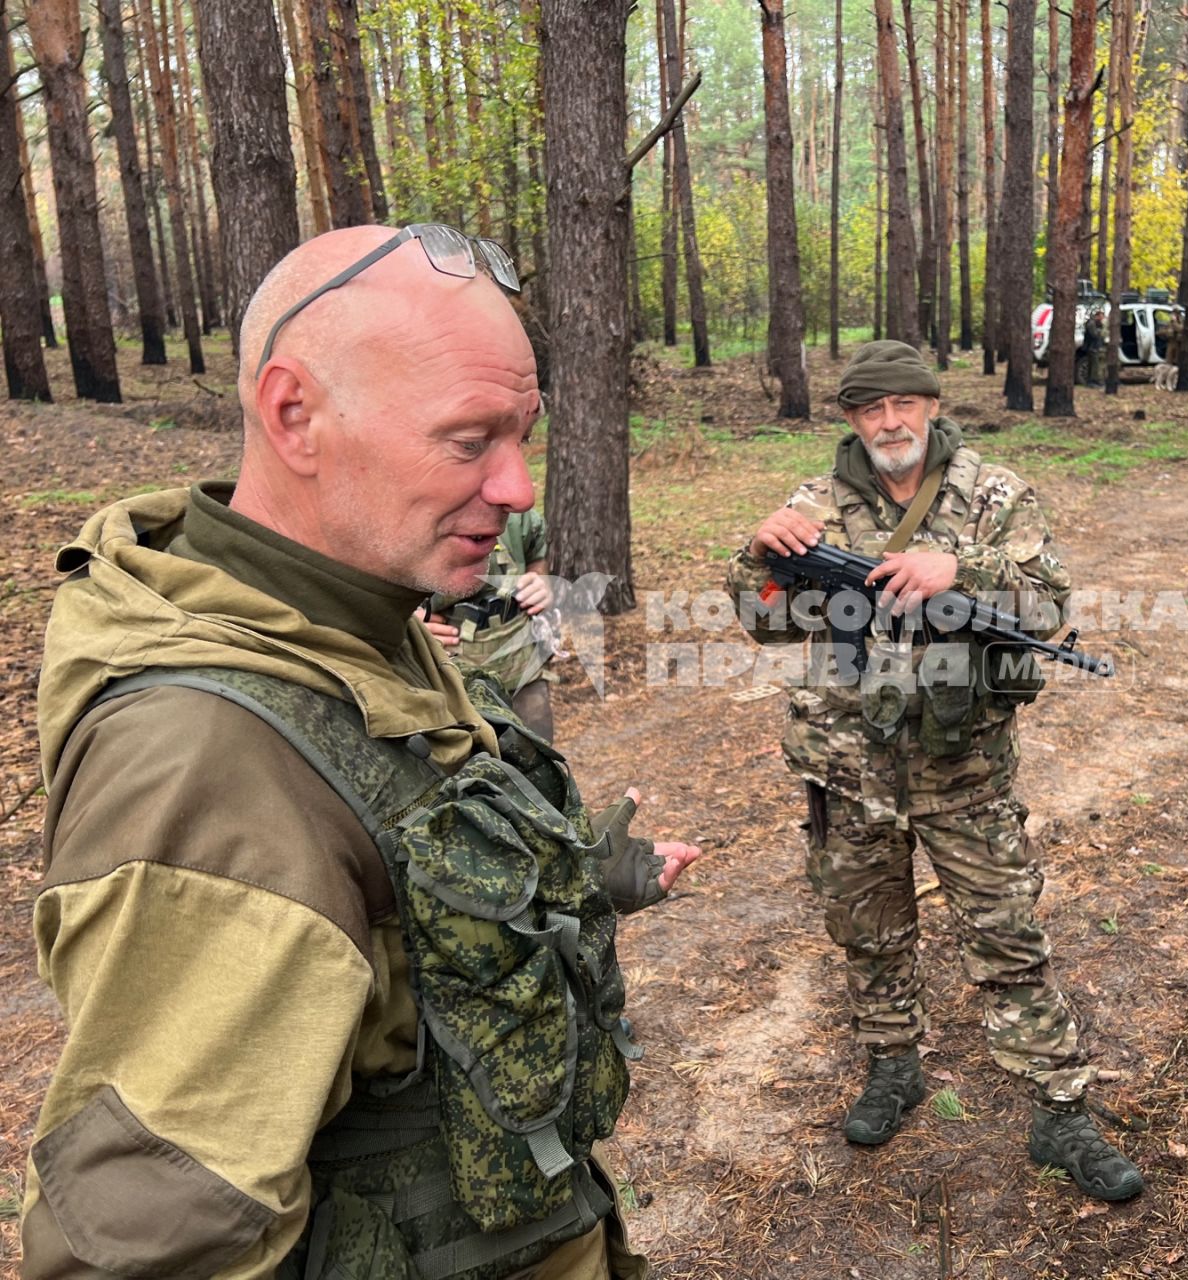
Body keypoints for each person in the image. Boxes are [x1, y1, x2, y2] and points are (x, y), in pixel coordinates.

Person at [21, 224, 700, 1279]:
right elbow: (163, 1242)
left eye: (524, 433)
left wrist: (585, 872)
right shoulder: (209, 759)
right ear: (295, 413)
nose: (521, 487)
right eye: (470, 440)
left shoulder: (357, 622)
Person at [724, 339, 1143, 1203]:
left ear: (930, 406)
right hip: (848, 770)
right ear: (850, 417)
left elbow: (1051, 603)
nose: (889, 422)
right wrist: (758, 557)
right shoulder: (813, 507)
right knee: (869, 932)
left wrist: (965, 569)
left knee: (1005, 935)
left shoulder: (993, 495)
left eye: (903, 405)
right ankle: (893, 1066)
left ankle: (1059, 1108)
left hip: (963, 768)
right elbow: (760, 622)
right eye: (870, 408)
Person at [420, 507, 560, 742]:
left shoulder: (513, 513)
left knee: (539, 747)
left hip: (522, 669)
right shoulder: (404, 517)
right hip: (446, 679)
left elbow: (537, 552)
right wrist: (405, 623)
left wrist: (541, 581)